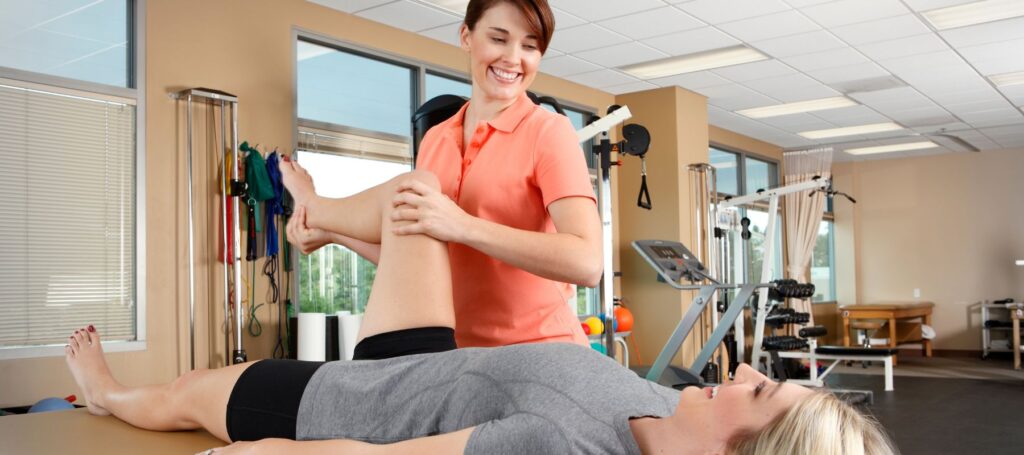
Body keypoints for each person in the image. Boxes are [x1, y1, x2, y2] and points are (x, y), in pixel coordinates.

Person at [64, 170, 896, 454]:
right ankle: (313, 225)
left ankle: (103, 393)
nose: (744, 370)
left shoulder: (559, 447)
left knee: (182, 392)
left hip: (347, 400)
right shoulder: (658, 407)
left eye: (757, 394)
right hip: (427, 359)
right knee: (414, 200)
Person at [286, 0, 601, 348]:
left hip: (542, 350)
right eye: (499, 39)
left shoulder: (549, 131)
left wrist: (463, 225)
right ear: (467, 36)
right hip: (460, 357)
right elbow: (420, 254)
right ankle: (318, 211)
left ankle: (315, 204)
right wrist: (332, 235)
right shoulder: (436, 138)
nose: (514, 58)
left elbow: (586, 263)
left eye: (529, 46)